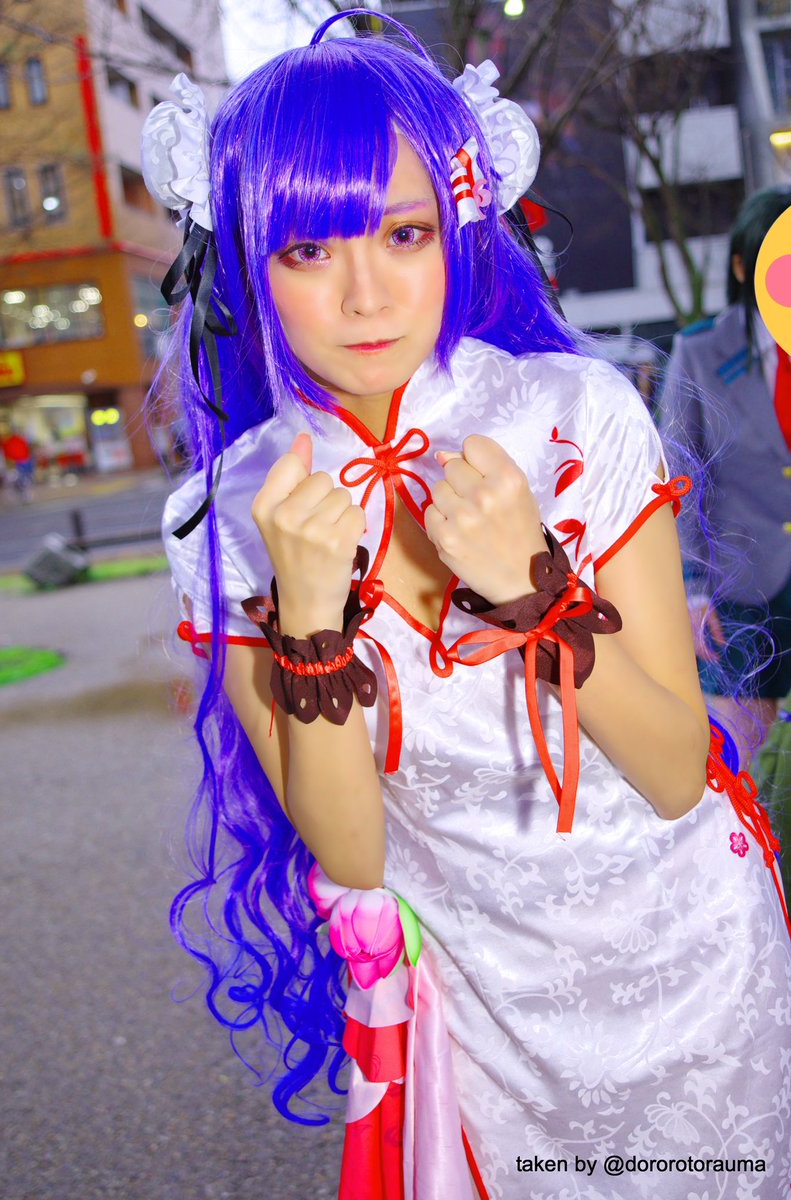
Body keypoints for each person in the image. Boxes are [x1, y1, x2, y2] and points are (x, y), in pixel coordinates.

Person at [144, 15, 791, 1200]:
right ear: (243, 264)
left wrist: (533, 589)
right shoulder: (228, 513)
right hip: (490, 1014)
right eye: (305, 250)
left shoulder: (574, 413)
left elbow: (672, 773)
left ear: (458, 224)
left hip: (690, 961)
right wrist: (310, 621)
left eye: (403, 233)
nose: (365, 294)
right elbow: (352, 854)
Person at [659, 186, 791, 766]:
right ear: (743, 267)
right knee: (736, 764)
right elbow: (678, 482)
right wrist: (690, 590)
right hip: (740, 586)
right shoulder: (700, 352)